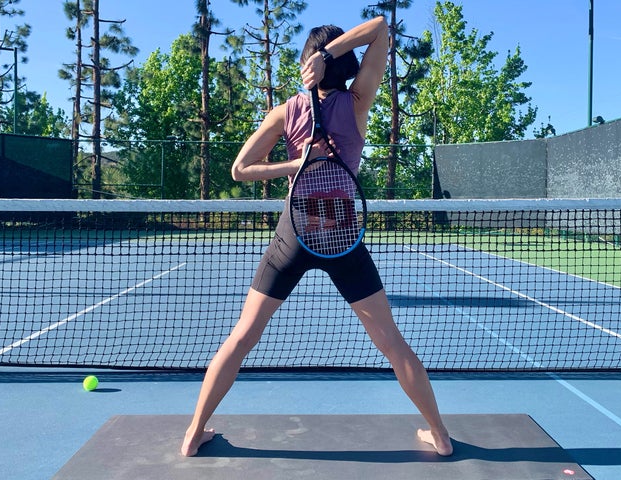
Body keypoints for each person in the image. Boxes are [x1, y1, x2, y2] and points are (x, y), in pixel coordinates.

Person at [180, 16, 453, 458]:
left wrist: (294, 165)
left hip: (295, 233)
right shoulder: (358, 102)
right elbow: (381, 27)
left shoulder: (287, 110)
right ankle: (439, 436)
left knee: (243, 335)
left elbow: (239, 170)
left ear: (309, 62)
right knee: (391, 340)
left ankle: (193, 434)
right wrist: (329, 60)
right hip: (343, 235)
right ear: (343, 65)